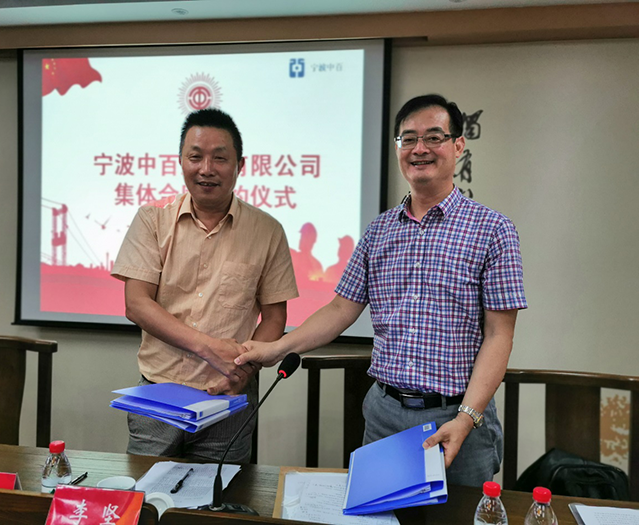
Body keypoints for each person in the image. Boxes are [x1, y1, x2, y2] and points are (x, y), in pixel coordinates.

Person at [237, 94, 527, 486]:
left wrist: (467, 418)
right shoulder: (380, 230)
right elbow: (340, 309)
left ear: (458, 145)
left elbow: (499, 335)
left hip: (458, 416)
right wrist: (277, 348)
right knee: (380, 513)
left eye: (433, 137)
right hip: (384, 415)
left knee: (458, 514)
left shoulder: (492, 230)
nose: (419, 149)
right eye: (408, 139)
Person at [111, 108, 298, 463]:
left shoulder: (267, 231)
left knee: (220, 494)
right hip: (159, 394)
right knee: (146, 492)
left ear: (240, 165)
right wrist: (209, 348)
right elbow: (136, 304)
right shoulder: (152, 220)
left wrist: (244, 371)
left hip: (229, 398)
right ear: (181, 161)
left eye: (220, 158)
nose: (206, 169)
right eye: (195, 157)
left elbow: (275, 317)